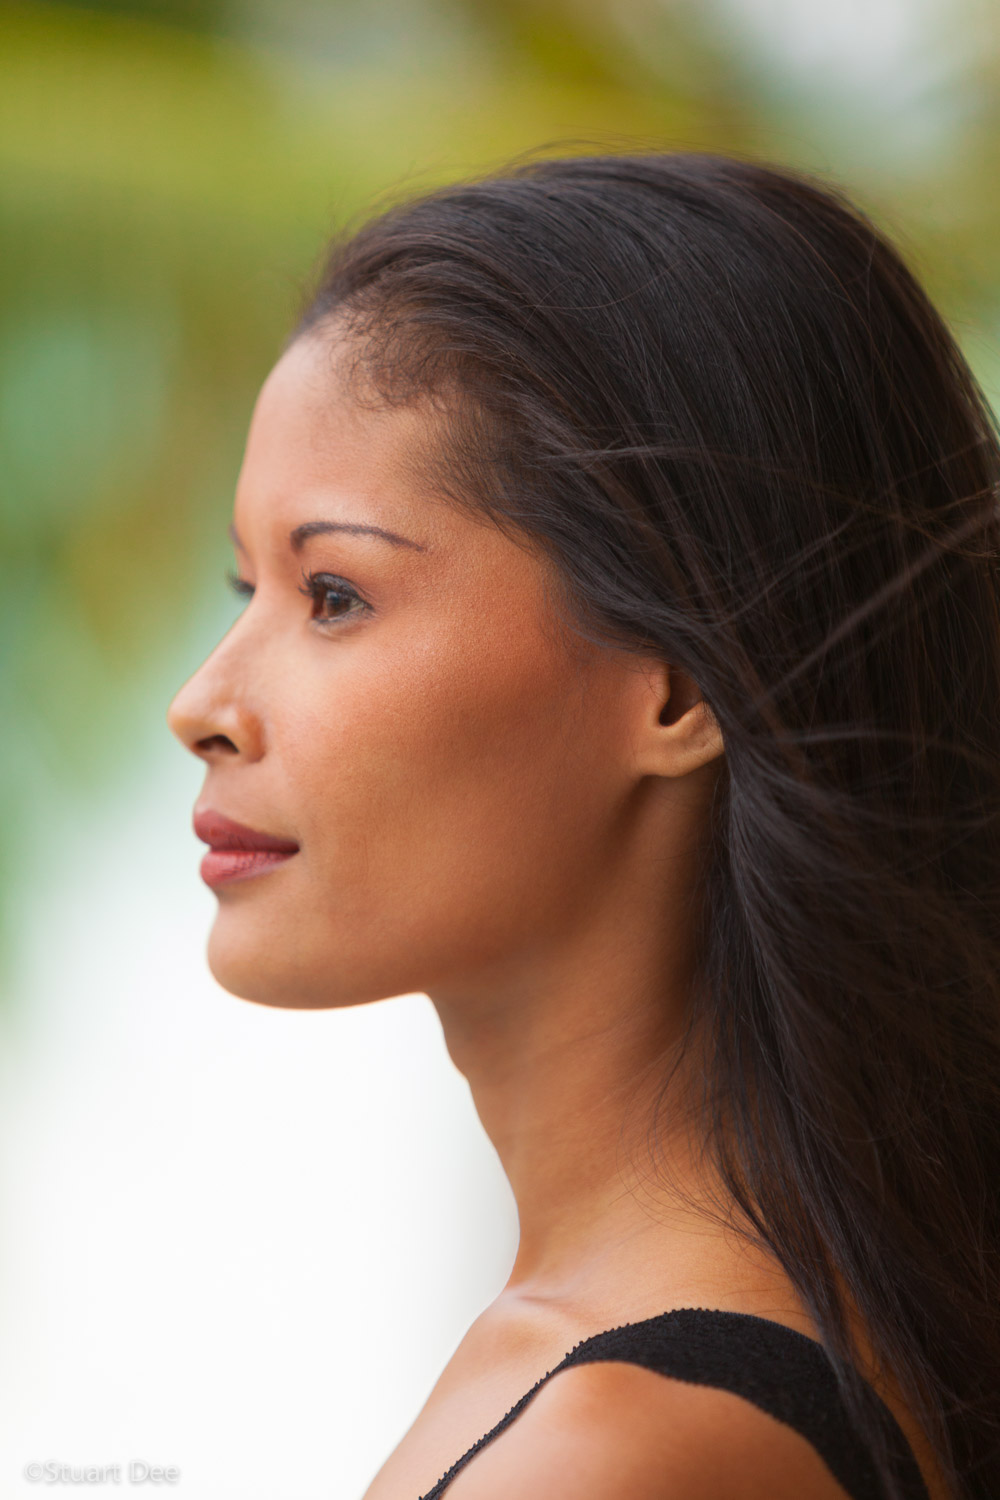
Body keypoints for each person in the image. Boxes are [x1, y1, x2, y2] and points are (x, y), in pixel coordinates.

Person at [166, 151, 1000, 1500]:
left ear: (674, 685)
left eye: (332, 596)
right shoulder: (615, 1365)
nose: (201, 704)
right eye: (243, 583)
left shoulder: (622, 1448)